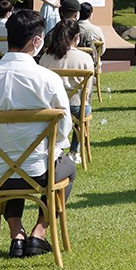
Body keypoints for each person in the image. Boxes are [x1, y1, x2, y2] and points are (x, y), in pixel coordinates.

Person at [0, 9, 75, 258]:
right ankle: (40, 231)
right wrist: (52, 147)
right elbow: (63, 127)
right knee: (68, 168)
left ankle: (17, 234)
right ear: (37, 41)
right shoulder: (48, 79)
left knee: (10, 164)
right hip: (39, 171)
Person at [38, 18, 94, 165]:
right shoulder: (85, 58)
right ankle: (75, 151)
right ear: (77, 37)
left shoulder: (45, 58)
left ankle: (55, 147)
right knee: (84, 109)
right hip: (76, 106)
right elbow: (88, 89)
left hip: (49, 106)